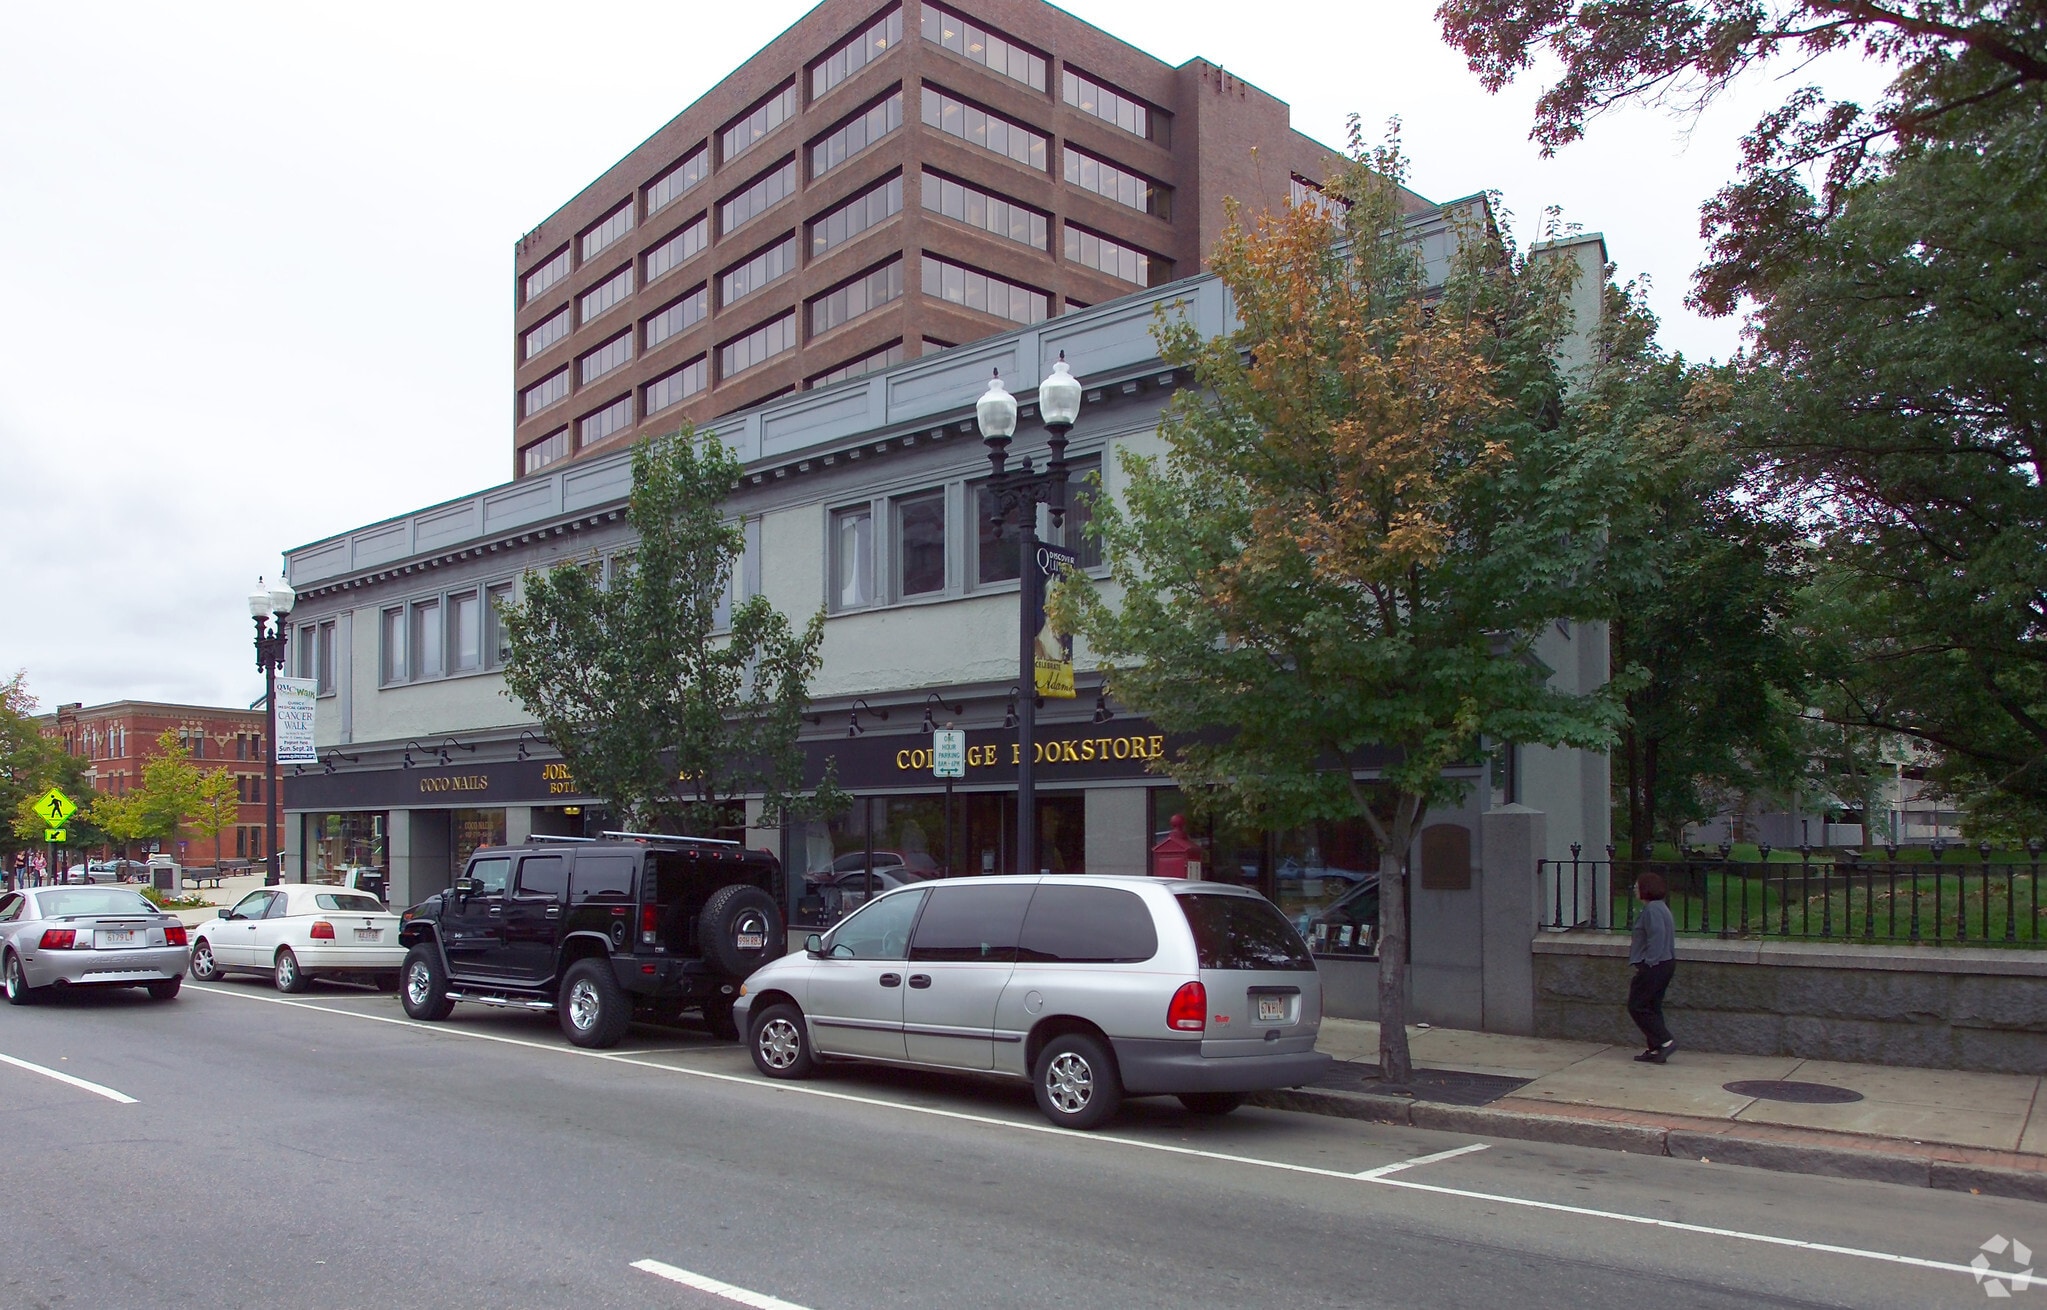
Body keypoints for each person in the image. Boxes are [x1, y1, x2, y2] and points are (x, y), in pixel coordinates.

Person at [1627, 871, 1678, 1063]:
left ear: (1645, 889)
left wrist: (1649, 961)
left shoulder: (1653, 910)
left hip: (1655, 965)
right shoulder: (1660, 907)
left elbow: (1657, 936)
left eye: (1637, 886)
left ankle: (1665, 1041)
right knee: (1651, 1006)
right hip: (1664, 964)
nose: (1635, 890)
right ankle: (1656, 1048)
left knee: (1637, 1005)